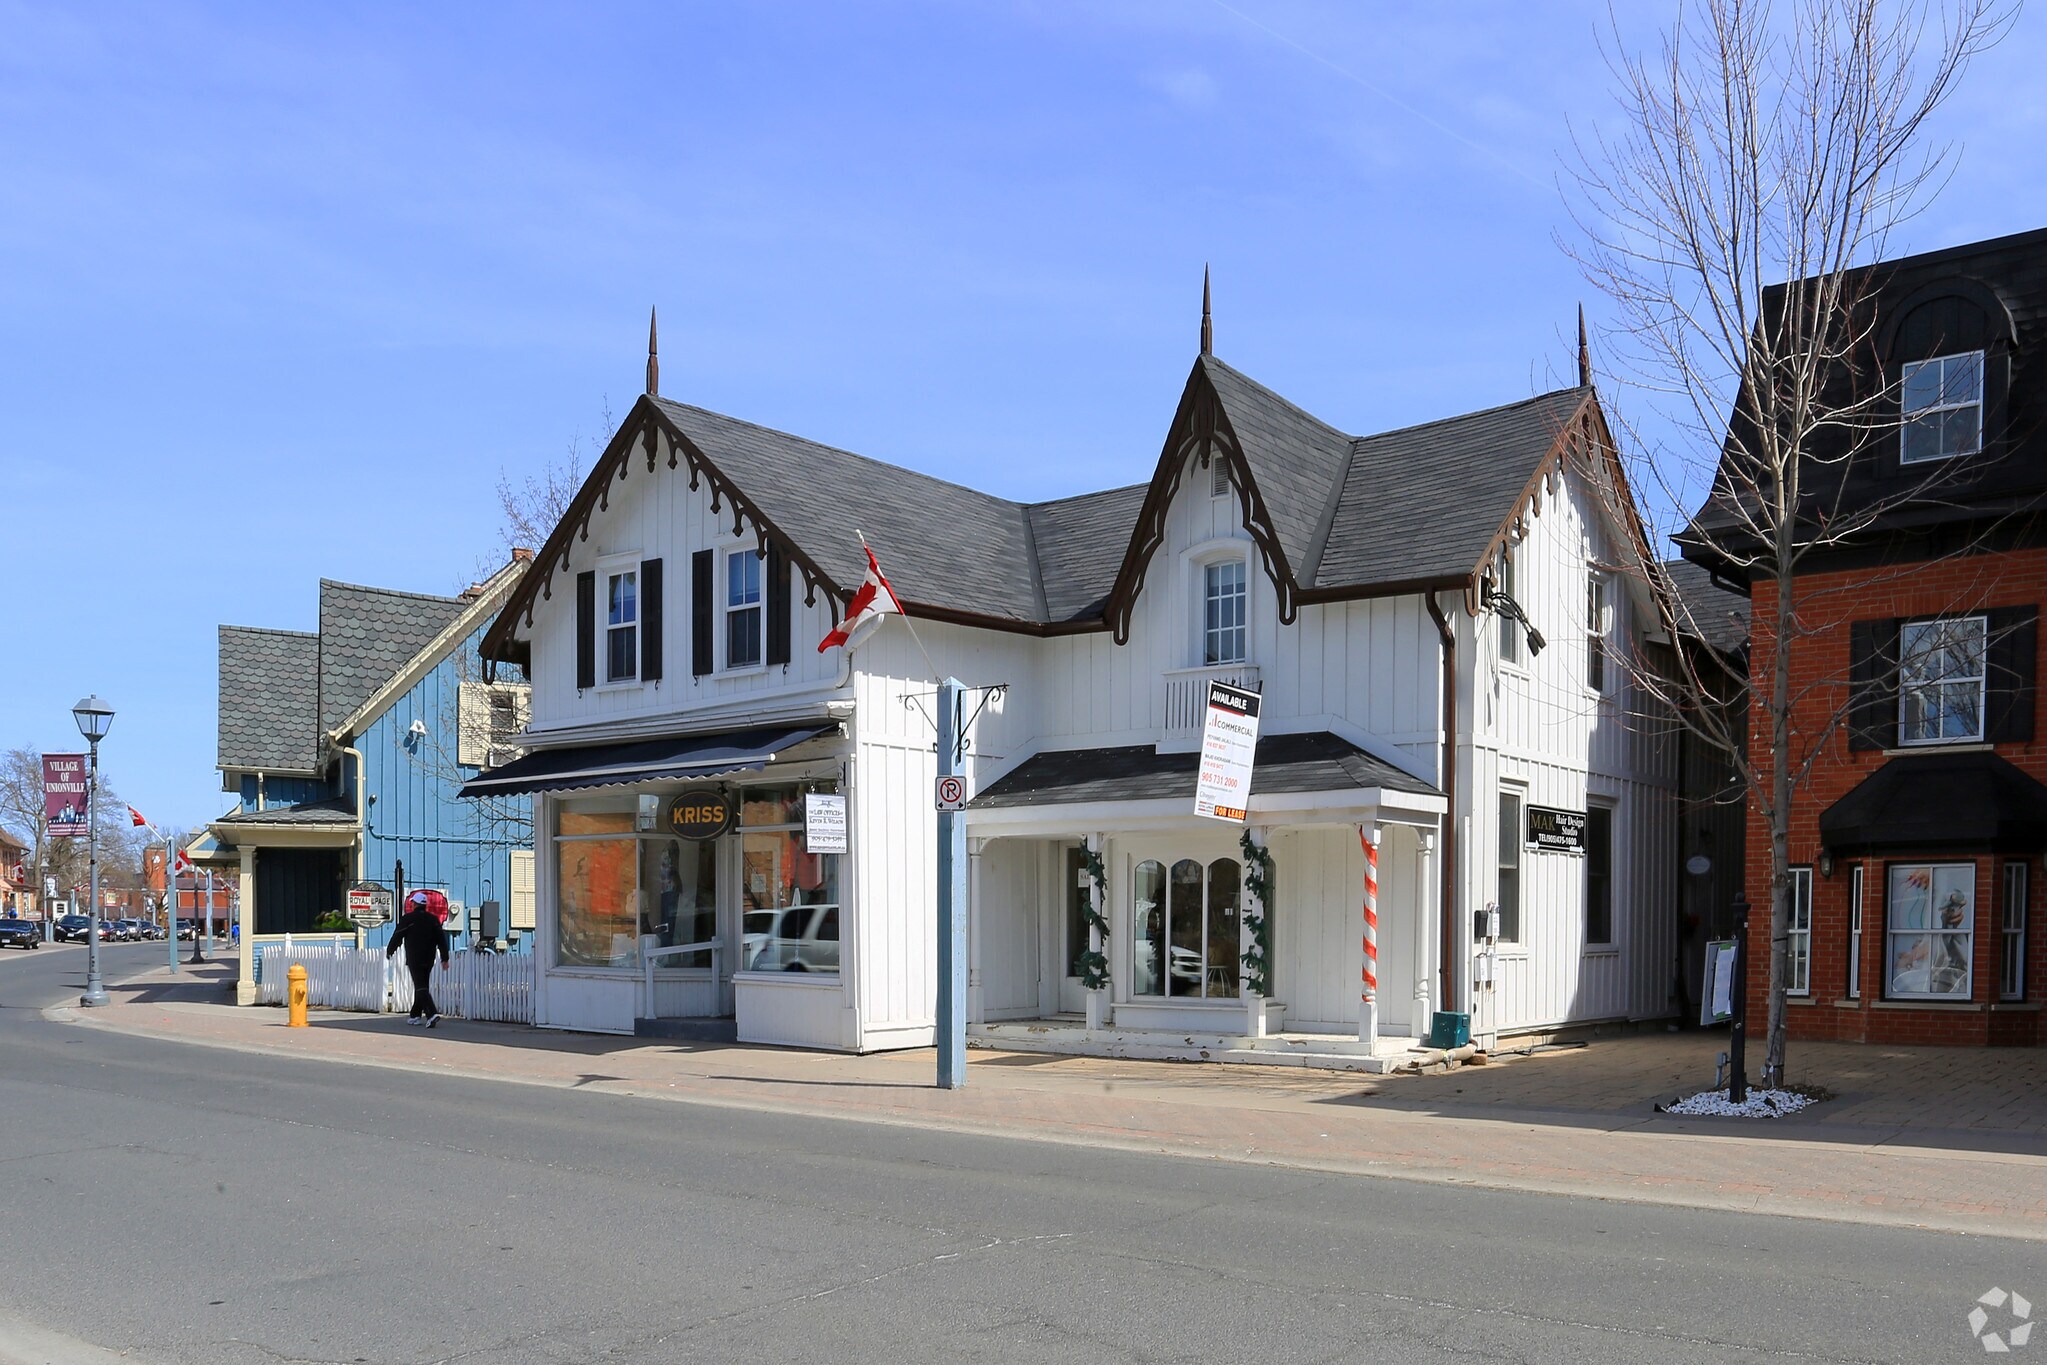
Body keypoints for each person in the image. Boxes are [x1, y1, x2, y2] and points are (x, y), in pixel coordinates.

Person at [386, 889, 451, 1027]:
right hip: (429, 958)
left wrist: (390, 950)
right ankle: (415, 1015)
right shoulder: (433, 920)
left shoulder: (408, 919)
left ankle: (431, 1014)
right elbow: (441, 940)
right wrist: (445, 958)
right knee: (422, 985)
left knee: (420, 986)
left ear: (415, 904)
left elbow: (397, 935)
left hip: (415, 957)